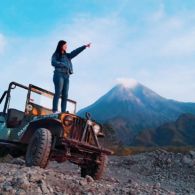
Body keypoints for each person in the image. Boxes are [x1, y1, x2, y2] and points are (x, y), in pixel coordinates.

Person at [51, 40, 91, 113]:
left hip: (67, 76)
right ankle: (55, 110)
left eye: (66, 45)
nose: (66, 46)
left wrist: (84, 46)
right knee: (58, 92)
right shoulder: (56, 54)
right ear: (61, 45)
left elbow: (75, 52)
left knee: (65, 95)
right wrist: (62, 64)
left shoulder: (68, 56)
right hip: (59, 74)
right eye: (65, 45)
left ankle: (63, 112)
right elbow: (53, 62)